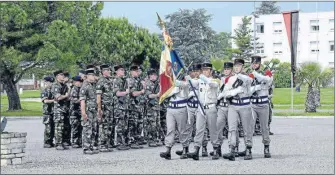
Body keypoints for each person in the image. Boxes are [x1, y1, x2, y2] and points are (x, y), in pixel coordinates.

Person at [219, 59, 253, 161]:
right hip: (233, 106)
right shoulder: (230, 79)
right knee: (232, 128)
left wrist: (238, 77)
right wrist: (234, 92)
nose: (237, 67)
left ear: (243, 67)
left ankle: (248, 149)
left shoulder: (247, 78)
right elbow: (225, 93)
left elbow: (249, 81)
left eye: (239, 66)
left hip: (244, 105)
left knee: (247, 129)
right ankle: (232, 150)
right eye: (235, 66)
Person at [187, 62, 221, 160]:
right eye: (203, 70)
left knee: (213, 130)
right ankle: (196, 150)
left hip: (211, 107)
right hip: (201, 108)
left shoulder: (216, 80)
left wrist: (201, 77)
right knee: (199, 129)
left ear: (211, 71)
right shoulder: (200, 80)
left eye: (207, 70)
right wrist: (187, 78)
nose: (205, 71)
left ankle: (215, 149)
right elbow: (192, 83)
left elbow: (211, 84)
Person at [175, 64, 209, 158]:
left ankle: (203, 148)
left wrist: (188, 81)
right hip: (190, 107)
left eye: (197, 71)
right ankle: (185, 149)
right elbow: (181, 86)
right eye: (193, 71)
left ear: (200, 72)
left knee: (200, 128)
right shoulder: (188, 80)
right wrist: (174, 80)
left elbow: (196, 84)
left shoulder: (203, 80)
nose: (195, 73)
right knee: (187, 128)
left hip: (200, 107)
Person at [210, 62, 240, 158]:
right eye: (225, 69)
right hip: (222, 107)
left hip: (232, 106)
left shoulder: (236, 79)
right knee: (218, 127)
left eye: (228, 69)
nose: (226, 71)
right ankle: (217, 148)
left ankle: (234, 148)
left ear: (232, 70)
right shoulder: (221, 80)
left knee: (233, 128)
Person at [159, 73, 189, 160]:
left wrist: (175, 83)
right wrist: (171, 84)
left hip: (181, 109)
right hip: (170, 108)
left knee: (182, 130)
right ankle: (168, 150)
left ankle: (185, 149)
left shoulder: (186, 82)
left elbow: (185, 86)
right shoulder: (171, 83)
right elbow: (166, 94)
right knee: (170, 130)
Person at [248, 55, 273, 158]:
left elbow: (268, 81)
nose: (255, 65)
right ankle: (248, 148)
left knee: (264, 127)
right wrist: (256, 87)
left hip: (263, 104)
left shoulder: (266, 71)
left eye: (256, 63)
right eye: (253, 63)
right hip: (253, 104)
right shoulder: (249, 74)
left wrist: (256, 75)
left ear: (260, 63)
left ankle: (266, 147)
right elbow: (247, 90)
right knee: (250, 126)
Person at [80, 67, 99, 154]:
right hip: (88, 110)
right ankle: (86, 147)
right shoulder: (85, 86)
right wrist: (83, 112)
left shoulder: (93, 85)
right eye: (92, 75)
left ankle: (91, 145)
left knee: (93, 128)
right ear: (88, 76)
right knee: (87, 128)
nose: (94, 77)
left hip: (94, 110)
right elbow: (82, 100)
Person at [112, 65, 131, 150]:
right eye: (121, 70)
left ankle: (124, 142)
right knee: (119, 125)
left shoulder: (124, 80)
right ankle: (119, 143)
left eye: (123, 70)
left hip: (125, 106)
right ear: (116, 71)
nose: (123, 71)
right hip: (119, 106)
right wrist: (126, 92)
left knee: (125, 125)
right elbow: (117, 93)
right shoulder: (116, 81)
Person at [96, 64, 114, 152]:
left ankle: (107, 144)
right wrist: (99, 109)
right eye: (108, 70)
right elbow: (98, 97)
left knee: (109, 125)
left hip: (110, 107)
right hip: (104, 107)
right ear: (103, 72)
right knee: (104, 126)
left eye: (110, 70)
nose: (110, 72)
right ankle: (102, 145)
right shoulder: (101, 81)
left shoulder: (109, 81)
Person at [51, 70, 70, 150]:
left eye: (63, 75)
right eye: (61, 75)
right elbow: (58, 97)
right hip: (58, 109)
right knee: (58, 127)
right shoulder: (55, 86)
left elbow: (69, 96)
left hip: (64, 109)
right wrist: (66, 96)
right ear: (57, 77)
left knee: (64, 127)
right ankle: (58, 143)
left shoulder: (64, 85)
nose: (63, 76)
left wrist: (67, 93)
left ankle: (62, 142)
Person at [127, 65, 145, 149]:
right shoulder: (130, 80)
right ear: (132, 71)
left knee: (139, 123)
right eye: (137, 71)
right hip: (132, 105)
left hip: (138, 105)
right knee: (132, 123)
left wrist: (143, 87)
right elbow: (133, 93)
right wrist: (141, 91)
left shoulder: (137, 80)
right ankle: (132, 140)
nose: (138, 73)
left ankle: (137, 140)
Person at [144, 69, 161, 147]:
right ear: (150, 76)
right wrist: (157, 95)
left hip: (157, 107)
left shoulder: (157, 84)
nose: (155, 76)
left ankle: (156, 138)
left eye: (156, 75)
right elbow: (149, 95)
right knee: (151, 124)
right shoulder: (148, 84)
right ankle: (151, 140)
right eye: (154, 75)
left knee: (157, 124)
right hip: (151, 107)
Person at [69, 75, 83, 148]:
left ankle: (79, 141)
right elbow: (74, 100)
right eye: (78, 82)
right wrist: (82, 100)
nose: (80, 83)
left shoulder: (80, 89)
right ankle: (74, 141)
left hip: (79, 111)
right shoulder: (74, 89)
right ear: (75, 82)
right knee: (75, 127)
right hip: (74, 111)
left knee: (80, 127)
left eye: (81, 82)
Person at [41, 76, 55, 148]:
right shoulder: (44, 91)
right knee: (48, 128)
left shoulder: (53, 90)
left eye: (49, 82)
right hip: (47, 112)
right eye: (46, 82)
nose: (48, 84)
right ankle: (46, 142)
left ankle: (51, 141)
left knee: (53, 127)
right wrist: (54, 100)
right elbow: (45, 101)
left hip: (53, 111)